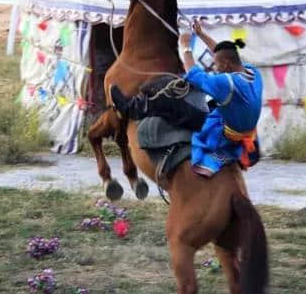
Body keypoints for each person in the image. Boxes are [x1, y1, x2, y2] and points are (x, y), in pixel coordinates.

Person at [110, 21, 263, 177]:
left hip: (224, 133)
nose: (215, 68)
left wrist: (186, 47)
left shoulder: (228, 83)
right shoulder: (252, 72)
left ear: (226, 64)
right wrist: (201, 34)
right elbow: (222, 53)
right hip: (239, 122)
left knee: (174, 103)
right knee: (202, 95)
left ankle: (131, 109)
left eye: (216, 65)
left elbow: (194, 75)